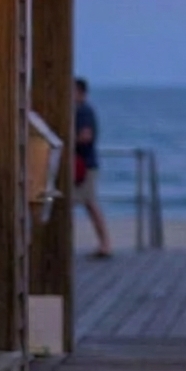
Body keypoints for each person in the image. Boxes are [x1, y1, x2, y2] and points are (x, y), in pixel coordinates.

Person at [73, 78, 112, 258]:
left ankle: (105, 244)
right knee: (88, 204)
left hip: (84, 165)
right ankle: (104, 243)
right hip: (84, 164)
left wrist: (68, 141)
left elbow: (86, 136)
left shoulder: (83, 111)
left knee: (90, 204)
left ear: (80, 92)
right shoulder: (80, 110)